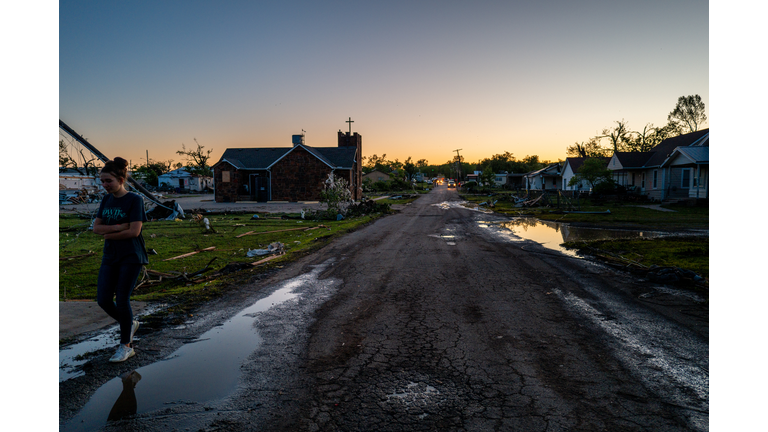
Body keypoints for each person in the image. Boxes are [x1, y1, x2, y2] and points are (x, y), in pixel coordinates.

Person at [93, 157, 149, 363]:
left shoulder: (135, 200)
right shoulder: (106, 200)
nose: (105, 185)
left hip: (131, 256)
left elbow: (134, 232)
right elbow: (96, 229)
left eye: (108, 181)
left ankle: (126, 346)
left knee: (122, 299)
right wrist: (117, 228)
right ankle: (130, 324)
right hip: (110, 255)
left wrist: (107, 234)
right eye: (103, 182)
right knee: (104, 300)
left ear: (121, 179)